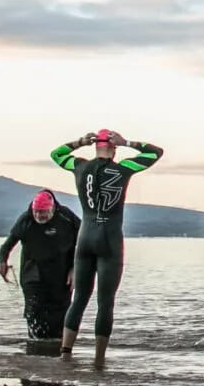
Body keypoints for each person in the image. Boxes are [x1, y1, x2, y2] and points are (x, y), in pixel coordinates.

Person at [50, 129, 164, 363]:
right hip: (110, 240)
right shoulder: (124, 168)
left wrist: (79, 142)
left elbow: (56, 154)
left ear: (95, 146)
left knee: (79, 299)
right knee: (105, 302)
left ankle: (65, 354)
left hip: (85, 238)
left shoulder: (80, 166)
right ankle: (99, 359)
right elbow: (155, 153)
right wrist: (128, 142)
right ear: (114, 148)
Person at [0, 189, 81, 347]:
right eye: (36, 212)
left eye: (43, 212)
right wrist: (2, 262)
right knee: (34, 311)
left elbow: (84, 242)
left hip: (62, 273)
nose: (38, 216)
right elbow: (6, 246)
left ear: (52, 208)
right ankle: (35, 347)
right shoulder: (26, 220)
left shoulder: (66, 217)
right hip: (33, 273)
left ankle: (57, 352)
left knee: (59, 317)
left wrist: (74, 268)